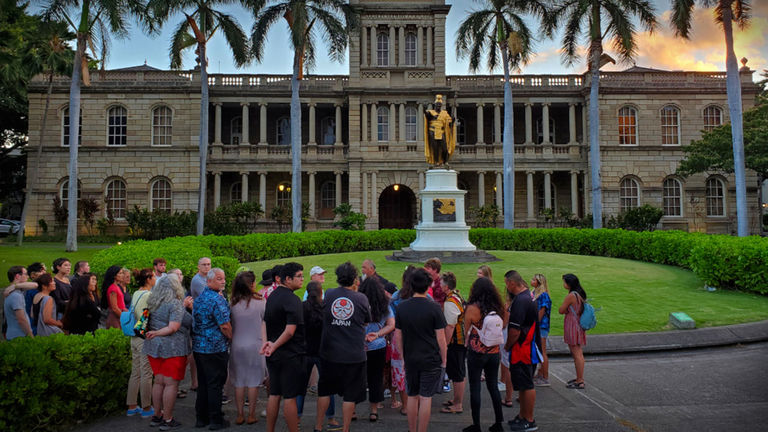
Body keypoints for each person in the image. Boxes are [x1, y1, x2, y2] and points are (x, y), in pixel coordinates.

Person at [315, 262, 371, 432]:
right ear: (354, 279)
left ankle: (318, 426)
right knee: (350, 394)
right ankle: (345, 428)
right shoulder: (361, 298)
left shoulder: (330, 294)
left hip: (330, 352)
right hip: (353, 353)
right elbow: (366, 320)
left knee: (324, 391)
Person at [394, 268, 447, 432]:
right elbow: (441, 339)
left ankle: (412, 429)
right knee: (425, 398)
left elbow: (398, 337)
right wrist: (444, 360)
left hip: (411, 357)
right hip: (430, 358)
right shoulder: (434, 308)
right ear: (429, 285)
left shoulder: (402, 307)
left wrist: (403, 357)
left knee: (412, 396)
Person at [144, 274, 194, 431]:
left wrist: (153, 334)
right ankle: (168, 419)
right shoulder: (175, 304)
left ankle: (157, 415)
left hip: (153, 348)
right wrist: (158, 332)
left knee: (158, 382)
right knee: (171, 384)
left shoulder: (152, 302)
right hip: (173, 348)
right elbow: (174, 327)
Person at [262, 262, 305, 432]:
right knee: (290, 397)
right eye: (299, 276)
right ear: (288, 279)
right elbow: (290, 331)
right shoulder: (293, 300)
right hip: (290, 354)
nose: (302, 279)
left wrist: (267, 343)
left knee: (274, 394)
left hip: (274, 354)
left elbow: (264, 321)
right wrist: (272, 345)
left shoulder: (272, 295)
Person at [463, 277, 505, 432]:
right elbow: (503, 324)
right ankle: (498, 423)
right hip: (494, 352)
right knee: (493, 386)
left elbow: (465, 329)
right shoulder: (499, 307)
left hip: (477, 352)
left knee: (475, 388)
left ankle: (476, 425)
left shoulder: (472, 308)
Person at [192, 268, 232, 430]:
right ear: (209, 281)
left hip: (199, 348)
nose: (223, 281)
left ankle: (201, 418)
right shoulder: (217, 300)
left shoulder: (200, 298)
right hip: (214, 348)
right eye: (219, 279)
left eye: (223, 278)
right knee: (215, 384)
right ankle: (216, 420)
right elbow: (224, 325)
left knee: (203, 383)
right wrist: (231, 337)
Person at [296, 281, 339, 430]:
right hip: (323, 351)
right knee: (327, 387)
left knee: (300, 387)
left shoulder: (301, 308)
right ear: (321, 292)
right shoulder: (326, 309)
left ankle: (297, 419)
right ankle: (330, 418)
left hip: (305, 350)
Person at [504, 270, 541, 432]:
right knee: (524, 385)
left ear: (512, 283)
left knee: (527, 385)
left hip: (523, 349)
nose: (506, 287)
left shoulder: (520, 301)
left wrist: (507, 346)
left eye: (506, 283)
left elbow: (515, 330)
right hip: (528, 346)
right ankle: (523, 416)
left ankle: (529, 419)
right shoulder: (528, 296)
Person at [229, 271, 267, 425]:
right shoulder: (261, 302)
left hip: (237, 344)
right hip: (255, 344)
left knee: (239, 382)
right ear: (251, 284)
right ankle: (251, 414)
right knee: (253, 382)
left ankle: (239, 414)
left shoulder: (232, 303)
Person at [359, 276, 394, 422]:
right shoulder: (384, 304)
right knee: (376, 377)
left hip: (359, 346)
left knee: (357, 378)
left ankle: (352, 410)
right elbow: (391, 324)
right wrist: (378, 334)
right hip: (378, 345)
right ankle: (374, 409)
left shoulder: (358, 302)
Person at [387, 265, 418, 414]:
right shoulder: (425, 297)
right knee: (418, 371)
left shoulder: (396, 297)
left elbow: (391, 322)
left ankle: (406, 405)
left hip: (398, 338)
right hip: (419, 339)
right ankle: (417, 403)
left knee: (400, 372)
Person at [126, 269, 155, 418]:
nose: (155, 279)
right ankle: (146, 407)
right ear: (148, 279)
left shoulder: (137, 293)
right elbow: (146, 315)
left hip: (134, 335)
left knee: (135, 372)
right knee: (147, 373)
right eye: (154, 276)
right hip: (143, 336)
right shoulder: (148, 295)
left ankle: (132, 405)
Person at [439, 272, 467, 415]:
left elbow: (450, 326)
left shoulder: (450, 301)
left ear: (446, 286)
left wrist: (445, 343)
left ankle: (458, 404)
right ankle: (457, 400)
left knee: (457, 374)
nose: (439, 284)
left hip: (455, 342)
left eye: (441, 283)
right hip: (460, 341)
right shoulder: (456, 296)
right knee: (459, 372)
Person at [558, 273, 587, 390]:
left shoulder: (571, 296)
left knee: (577, 354)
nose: (563, 284)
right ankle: (579, 378)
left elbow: (561, 310)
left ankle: (580, 380)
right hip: (578, 324)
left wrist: (566, 311)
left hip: (572, 325)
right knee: (578, 353)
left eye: (564, 282)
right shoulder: (580, 294)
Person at [423, 94, 456, 166]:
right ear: (435, 105)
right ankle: (436, 162)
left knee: (445, 147)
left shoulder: (444, 113)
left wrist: (452, 121)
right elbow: (427, 115)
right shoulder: (431, 112)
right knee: (435, 148)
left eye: (439, 105)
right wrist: (424, 108)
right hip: (433, 131)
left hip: (441, 131)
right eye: (437, 105)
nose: (438, 106)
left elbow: (449, 123)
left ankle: (445, 161)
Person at [531, 274, 551, 387]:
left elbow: (541, 312)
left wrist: (535, 324)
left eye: (533, 279)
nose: (531, 281)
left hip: (541, 327)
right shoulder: (534, 292)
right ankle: (540, 373)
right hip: (537, 326)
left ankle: (545, 377)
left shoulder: (543, 295)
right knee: (539, 350)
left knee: (542, 351)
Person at [4, 266, 34, 340]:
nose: (28, 276)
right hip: (19, 336)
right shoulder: (16, 296)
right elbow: (21, 319)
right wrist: (30, 335)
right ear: (17, 276)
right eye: (26, 274)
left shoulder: (12, 291)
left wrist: (15, 286)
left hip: (15, 334)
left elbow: (36, 285)